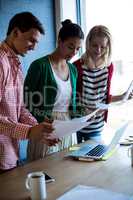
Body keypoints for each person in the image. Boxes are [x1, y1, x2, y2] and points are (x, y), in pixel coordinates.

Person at [0, 12, 59, 172]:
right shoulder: (1, 63)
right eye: (31, 40)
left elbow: (20, 109)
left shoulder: (15, 64)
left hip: (10, 155)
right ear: (15, 32)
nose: (34, 46)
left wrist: (40, 130)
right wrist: (30, 131)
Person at [24, 19, 84, 161]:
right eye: (70, 46)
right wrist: (40, 122)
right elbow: (26, 103)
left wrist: (85, 115)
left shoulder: (73, 69)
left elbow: (73, 102)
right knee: (46, 172)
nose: (74, 52)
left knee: (69, 171)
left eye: (78, 49)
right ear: (59, 41)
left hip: (68, 130)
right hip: (46, 130)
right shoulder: (39, 66)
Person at [73, 25, 132, 143]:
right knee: (73, 159)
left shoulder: (109, 67)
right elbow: (71, 99)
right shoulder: (77, 67)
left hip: (96, 127)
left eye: (103, 47)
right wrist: (85, 111)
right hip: (76, 127)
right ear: (88, 43)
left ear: (108, 47)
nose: (98, 50)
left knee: (95, 157)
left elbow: (104, 98)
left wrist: (123, 96)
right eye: (95, 45)